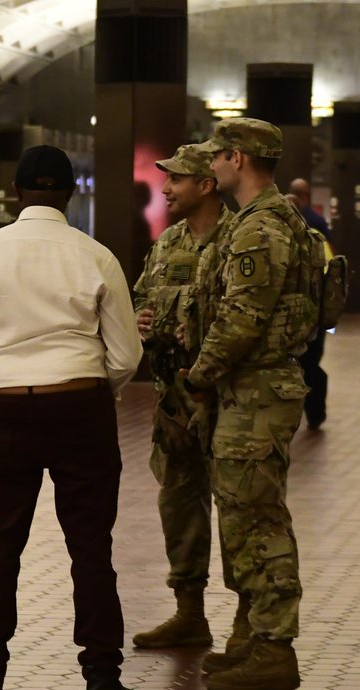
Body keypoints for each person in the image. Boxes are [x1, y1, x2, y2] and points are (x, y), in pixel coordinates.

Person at [0, 145, 144, 690]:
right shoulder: (96, 256)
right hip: (80, 408)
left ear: (15, 193)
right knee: (90, 548)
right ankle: (102, 681)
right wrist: (90, 387)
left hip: (2, 410)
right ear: (71, 193)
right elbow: (126, 355)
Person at [187, 118, 320, 690]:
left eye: (216, 157)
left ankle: (273, 647)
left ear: (237, 159)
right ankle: (253, 637)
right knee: (243, 514)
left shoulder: (260, 227)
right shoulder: (265, 219)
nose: (211, 166)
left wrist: (200, 374)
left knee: (259, 519)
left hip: (256, 389)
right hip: (252, 388)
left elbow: (243, 318)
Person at [130, 143, 233, 650]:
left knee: (238, 508)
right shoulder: (169, 242)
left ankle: (251, 624)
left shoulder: (238, 239)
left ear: (206, 185)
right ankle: (189, 612)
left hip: (227, 398)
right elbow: (140, 297)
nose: (166, 189)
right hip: (175, 399)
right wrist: (140, 319)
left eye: (176, 180)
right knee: (179, 503)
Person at [288, 177, 330, 430]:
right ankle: (315, 413)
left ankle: (305, 414)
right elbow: (331, 268)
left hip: (299, 317)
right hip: (315, 313)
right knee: (311, 365)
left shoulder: (279, 238)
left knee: (304, 366)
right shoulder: (317, 228)